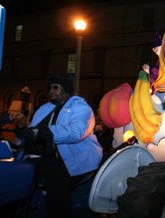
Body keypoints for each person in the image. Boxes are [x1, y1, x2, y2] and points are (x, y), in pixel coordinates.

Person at [20, 74, 103, 218]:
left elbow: (77, 131)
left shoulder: (81, 107)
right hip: (47, 157)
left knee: (56, 183)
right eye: (50, 88)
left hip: (74, 158)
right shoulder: (44, 109)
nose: (51, 91)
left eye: (56, 87)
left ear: (67, 91)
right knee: (20, 171)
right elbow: (34, 130)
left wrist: (47, 133)